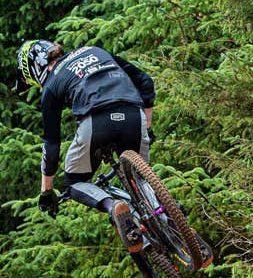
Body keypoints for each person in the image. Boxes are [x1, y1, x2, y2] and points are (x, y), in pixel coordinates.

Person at [15, 40, 156, 251]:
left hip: (96, 121)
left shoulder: (52, 85)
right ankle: (171, 219)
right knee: (139, 176)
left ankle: (113, 206)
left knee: (74, 183)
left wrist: (47, 192)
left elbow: (51, 145)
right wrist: (147, 125)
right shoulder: (95, 50)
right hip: (134, 115)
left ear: (35, 69)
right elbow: (145, 81)